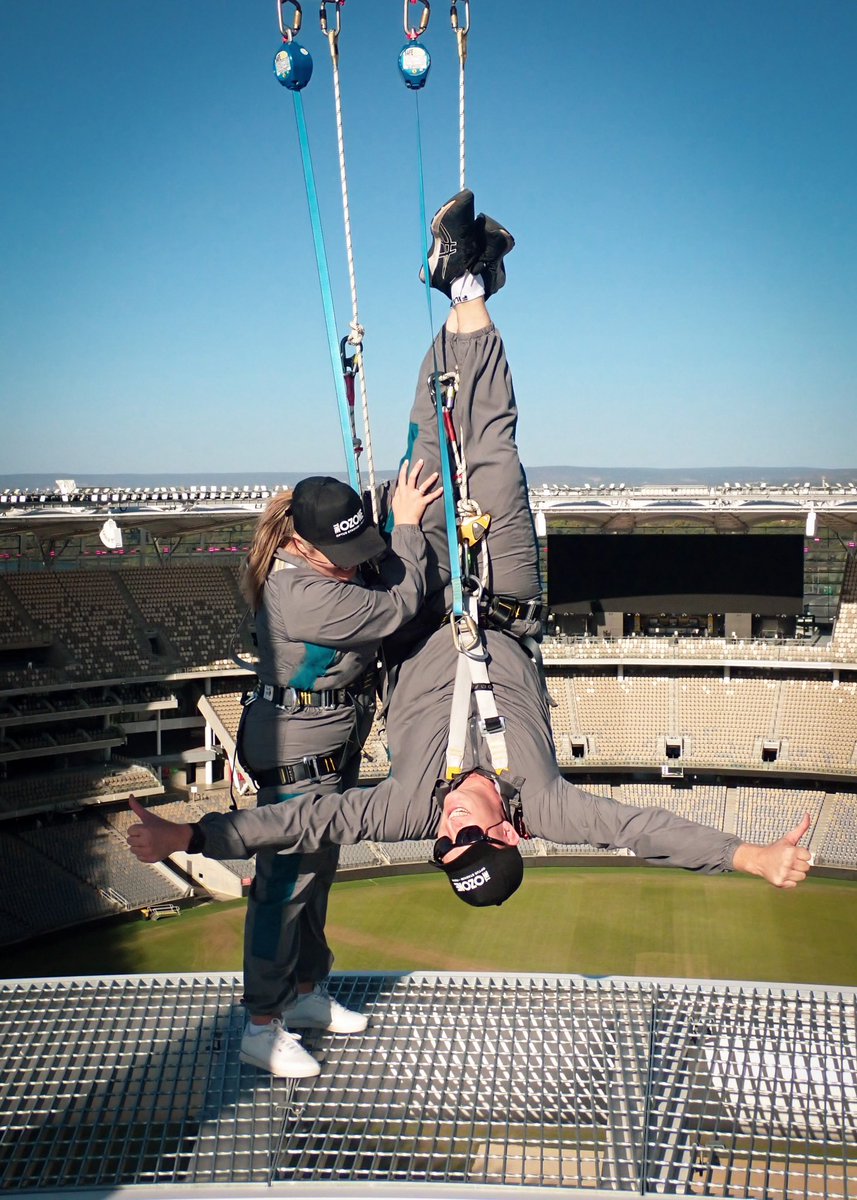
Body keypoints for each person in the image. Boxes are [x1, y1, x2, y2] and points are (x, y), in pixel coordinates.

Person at [128, 193, 813, 973]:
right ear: (511, 835)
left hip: (420, 602)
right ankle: (465, 286)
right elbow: (639, 829)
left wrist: (190, 838)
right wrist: (747, 857)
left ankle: (463, 282)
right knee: (489, 444)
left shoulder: (403, 810)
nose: (450, 829)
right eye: (471, 839)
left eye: (445, 848)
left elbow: (302, 826)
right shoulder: (548, 804)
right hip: (507, 595)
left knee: (430, 433)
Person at [227, 460, 440, 1080]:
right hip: (299, 755)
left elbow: (365, 572)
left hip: (330, 740)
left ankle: (304, 990)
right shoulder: (302, 594)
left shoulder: (316, 568)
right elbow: (401, 602)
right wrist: (404, 525)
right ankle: (262, 1026)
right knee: (285, 886)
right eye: (340, 552)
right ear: (300, 543)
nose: (350, 562)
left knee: (317, 874)